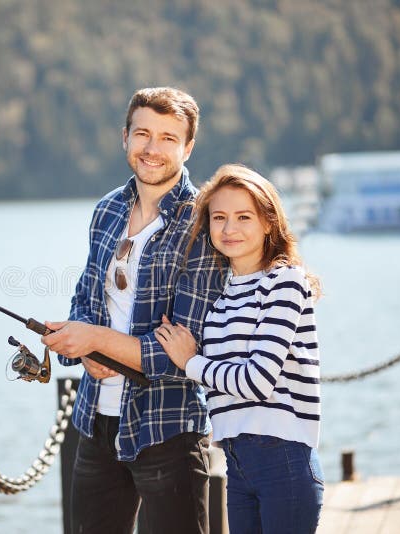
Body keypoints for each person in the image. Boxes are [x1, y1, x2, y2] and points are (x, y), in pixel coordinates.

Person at [41, 87, 227, 534]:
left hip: (169, 427)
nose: (152, 148)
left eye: (167, 137)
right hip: (95, 423)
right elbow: (84, 301)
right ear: (124, 137)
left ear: (188, 147)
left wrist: (98, 340)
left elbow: (179, 350)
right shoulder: (106, 210)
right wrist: (82, 350)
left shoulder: (204, 221)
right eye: (142, 133)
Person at [155, 163, 324, 533]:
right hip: (235, 462)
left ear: (268, 222)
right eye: (219, 218)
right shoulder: (220, 299)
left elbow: (258, 380)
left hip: (283, 460)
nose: (229, 229)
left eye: (243, 217)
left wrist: (191, 362)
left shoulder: (285, 283)